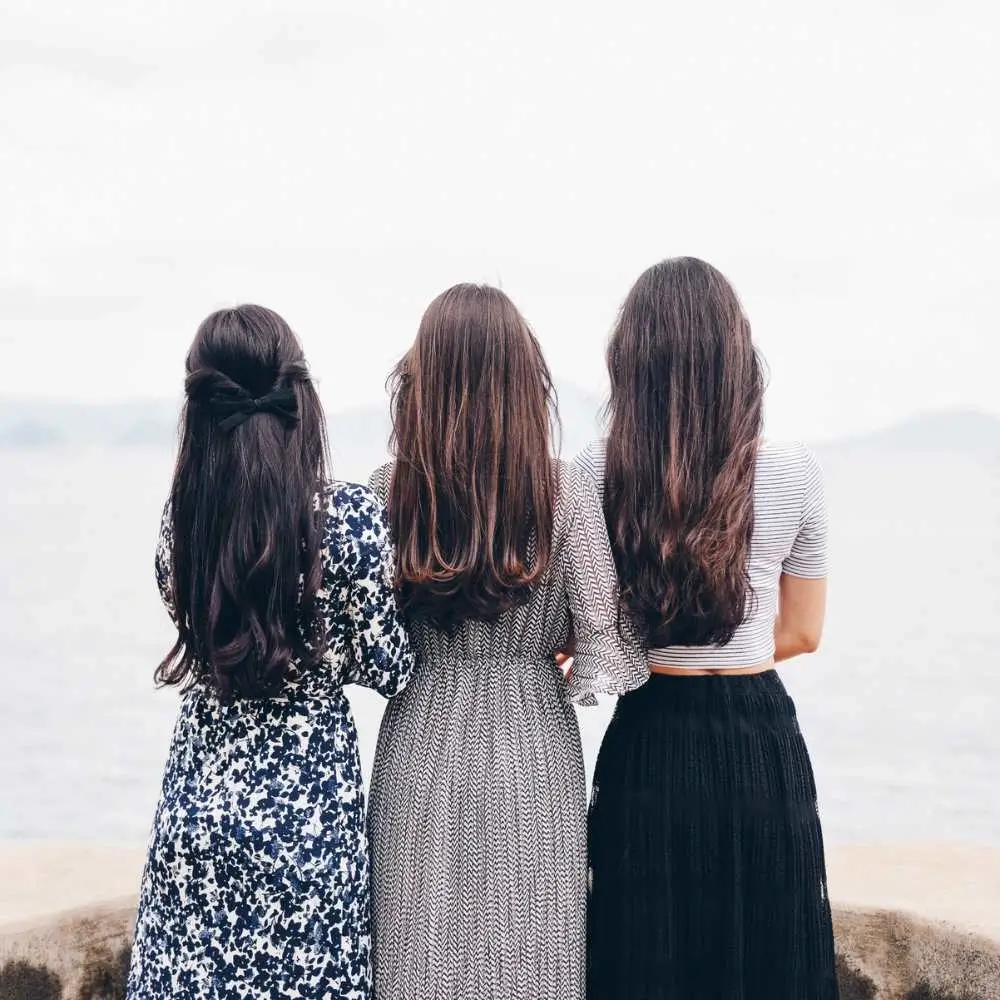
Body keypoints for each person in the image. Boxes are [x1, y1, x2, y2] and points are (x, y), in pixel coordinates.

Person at [366, 283, 646, 1000]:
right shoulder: (563, 492)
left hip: (420, 738)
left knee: (415, 954)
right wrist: (546, 646)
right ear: (526, 380)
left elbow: (368, 641)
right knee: (533, 959)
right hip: (532, 745)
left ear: (421, 382)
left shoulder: (385, 492)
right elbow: (607, 631)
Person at [126, 305, 414, 1000]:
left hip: (198, 804)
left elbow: (208, 632)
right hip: (309, 817)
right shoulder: (348, 521)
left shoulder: (182, 525)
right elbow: (390, 666)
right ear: (299, 402)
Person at [578, 258, 839, 1000]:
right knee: (762, 961)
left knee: (647, 960)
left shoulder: (596, 470)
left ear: (631, 359)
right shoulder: (795, 471)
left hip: (652, 729)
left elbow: (591, 626)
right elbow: (805, 632)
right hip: (762, 736)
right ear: (738, 355)